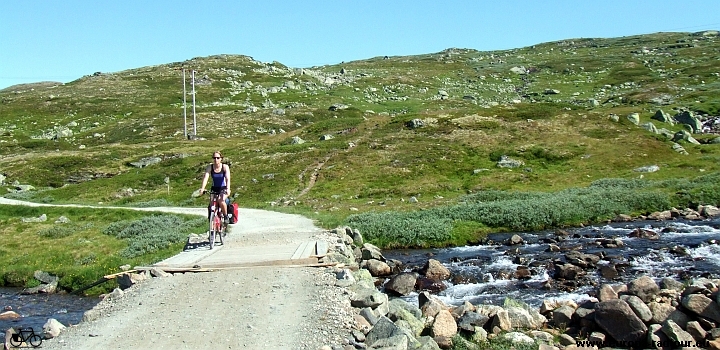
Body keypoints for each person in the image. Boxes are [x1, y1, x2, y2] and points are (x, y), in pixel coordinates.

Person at [199, 151, 231, 224]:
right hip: (214, 188)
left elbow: (227, 178)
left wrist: (228, 189)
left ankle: (226, 216)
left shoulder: (225, 167)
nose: (216, 159)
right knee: (211, 204)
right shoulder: (210, 167)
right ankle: (211, 223)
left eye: (218, 158)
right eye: (214, 158)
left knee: (221, 200)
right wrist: (202, 188)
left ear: (221, 159)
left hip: (223, 188)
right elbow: (206, 178)